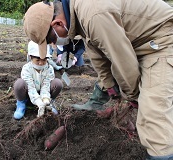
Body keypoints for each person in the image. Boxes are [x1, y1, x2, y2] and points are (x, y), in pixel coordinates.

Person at [23, 0, 173, 159]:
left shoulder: (94, 14)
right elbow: (97, 54)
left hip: (161, 38)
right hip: (138, 40)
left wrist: (133, 97)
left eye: (52, 40)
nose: (54, 44)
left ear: (58, 23)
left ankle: (162, 155)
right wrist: (110, 86)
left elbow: (123, 60)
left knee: (153, 112)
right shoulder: (79, 14)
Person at [13, 40, 63, 120]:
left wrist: (45, 99)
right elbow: (30, 87)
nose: (41, 63)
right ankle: (21, 104)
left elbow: (46, 85)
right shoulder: (26, 68)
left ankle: (50, 103)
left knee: (57, 83)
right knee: (19, 84)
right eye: (38, 60)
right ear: (30, 57)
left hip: (44, 94)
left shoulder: (49, 68)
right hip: (28, 95)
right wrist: (38, 102)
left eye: (44, 60)